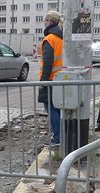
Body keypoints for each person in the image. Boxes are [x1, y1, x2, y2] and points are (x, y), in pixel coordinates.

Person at [38, 10, 63, 146]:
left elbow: (47, 63)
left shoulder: (49, 39)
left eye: (45, 21)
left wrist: (43, 81)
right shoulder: (61, 37)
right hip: (60, 79)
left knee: (51, 109)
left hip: (51, 79)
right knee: (58, 109)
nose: (44, 24)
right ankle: (61, 135)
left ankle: (57, 137)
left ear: (49, 21)